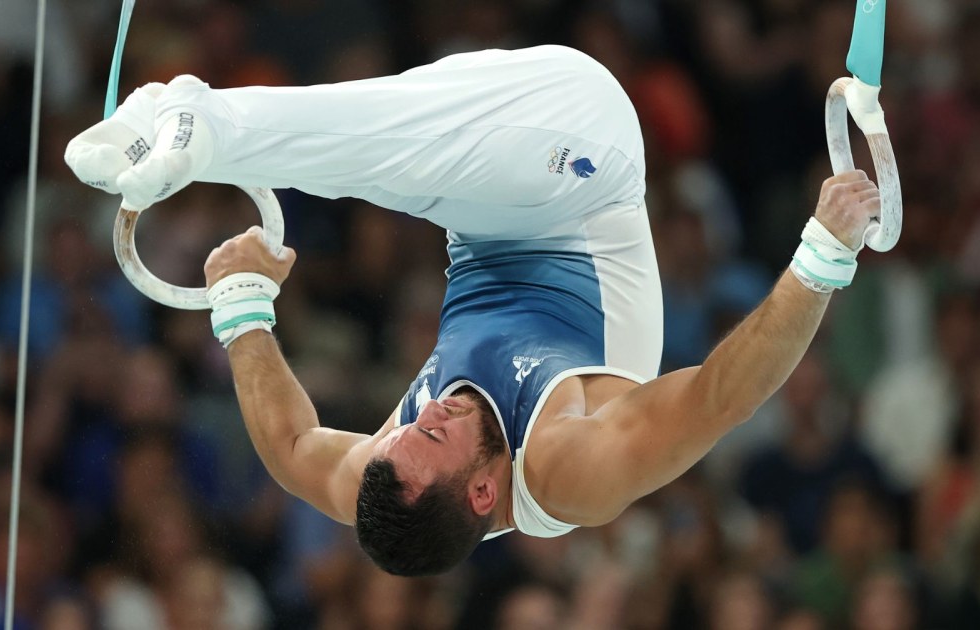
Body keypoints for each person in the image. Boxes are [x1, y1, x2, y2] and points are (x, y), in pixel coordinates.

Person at [65, 45, 883, 576]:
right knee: (397, 153)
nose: (425, 417)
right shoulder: (566, 472)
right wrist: (821, 257)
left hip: (482, 172)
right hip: (581, 162)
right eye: (432, 436)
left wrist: (244, 312)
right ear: (486, 494)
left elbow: (291, 448)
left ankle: (196, 123)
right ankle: (199, 124)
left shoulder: (392, 477)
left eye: (406, 431)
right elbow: (720, 399)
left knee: (401, 158)